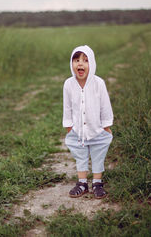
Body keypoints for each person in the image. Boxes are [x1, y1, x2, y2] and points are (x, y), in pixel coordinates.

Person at [63, 45, 114, 199]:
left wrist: (106, 125)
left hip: (97, 128)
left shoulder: (99, 83)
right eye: (76, 60)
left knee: (98, 152)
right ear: (71, 64)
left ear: (92, 63)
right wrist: (69, 126)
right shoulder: (68, 84)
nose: (80, 64)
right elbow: (67, 106)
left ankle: (97, 182)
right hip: (78, 129)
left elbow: (105, 105)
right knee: (80, 154)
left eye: (85, 60)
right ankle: (82, 182)